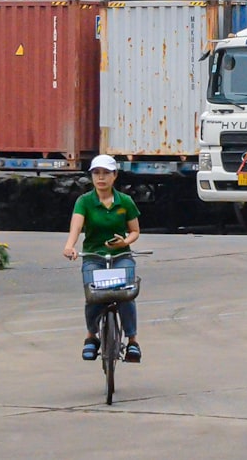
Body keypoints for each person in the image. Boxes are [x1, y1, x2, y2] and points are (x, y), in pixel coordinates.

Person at [63, 154, 143, 363]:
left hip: (121, 256)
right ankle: (91, 336)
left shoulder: (125, 202)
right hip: (94, 256)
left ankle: (132, 340)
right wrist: (70, 246)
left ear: (114, 176)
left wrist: (125, 242)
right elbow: (77, 225)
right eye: (96, 173)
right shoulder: (85, 201)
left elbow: (134, 231)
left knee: (126, 294)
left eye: (106, 173)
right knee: (93, 296)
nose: (101, 178)